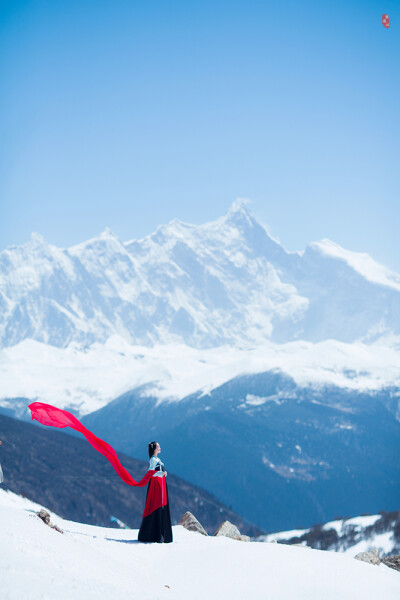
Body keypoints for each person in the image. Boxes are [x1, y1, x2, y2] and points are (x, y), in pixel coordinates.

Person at [138, 441, 173, 543]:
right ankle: (155, 534)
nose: (160, 448)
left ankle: (161, 534)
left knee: (161, 507)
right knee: (157, 506)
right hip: (157, 487)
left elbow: (156, 473)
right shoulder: (153, 460)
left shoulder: (157, 459)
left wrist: (163, 474)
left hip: (160, 486)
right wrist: (160, 473)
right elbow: (150, 473)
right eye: (158, 446)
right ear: (154, 449)